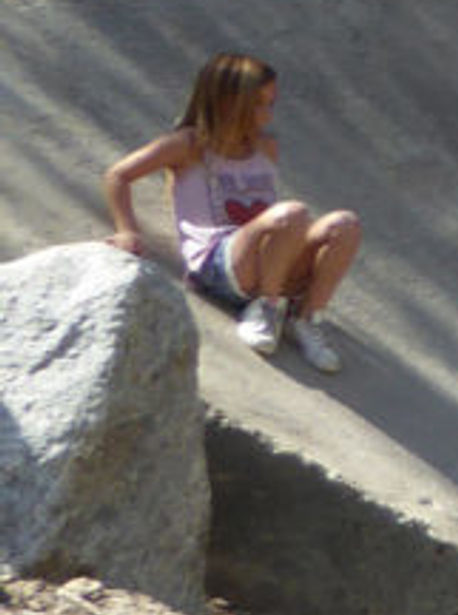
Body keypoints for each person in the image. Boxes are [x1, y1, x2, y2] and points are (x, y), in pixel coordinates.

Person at [101, 50, 364, 373]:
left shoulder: (266, 147)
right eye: (257, 105)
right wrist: (127, 230)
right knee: (291, 213)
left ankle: (306, 317)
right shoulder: (189, 145)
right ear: (227, 102)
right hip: (217, 264)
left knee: (345, 224)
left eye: (271, 104)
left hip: (264, 263)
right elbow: (118, 175)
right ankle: (266, 308)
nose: (266, 115)